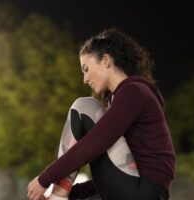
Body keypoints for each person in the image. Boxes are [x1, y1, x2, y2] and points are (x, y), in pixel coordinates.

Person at [27, 28, 176, 200]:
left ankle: (58, 196)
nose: (85, 79)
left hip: (144, 191)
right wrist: (74, 194)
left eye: (86, 68)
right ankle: (59, 196)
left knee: (84, 106)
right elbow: (116, 171)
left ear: (105, 60)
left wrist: (45, 179)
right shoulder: (125, 98)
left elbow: (93, 144)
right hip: (139, 190)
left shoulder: (133, 92)